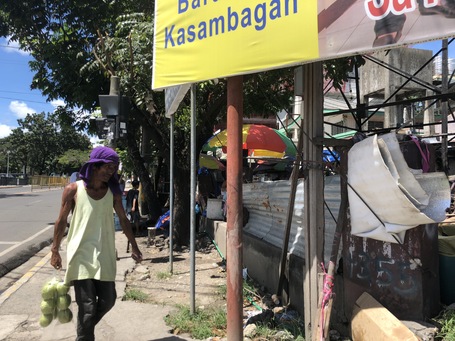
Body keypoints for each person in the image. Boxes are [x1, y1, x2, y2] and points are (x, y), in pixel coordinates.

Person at [50, 146, 142, 341]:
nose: (111, 172)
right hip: (80, 253)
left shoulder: (112, 192)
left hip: (104, 253)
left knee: (108, 300)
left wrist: (134, 245)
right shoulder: (73, 190)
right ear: (95, 165)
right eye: (108, 167)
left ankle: (83, 334)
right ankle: (85, 337)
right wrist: (54, 250)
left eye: (114, 168)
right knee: (88, 306)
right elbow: (60, 221)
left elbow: (124, 220)